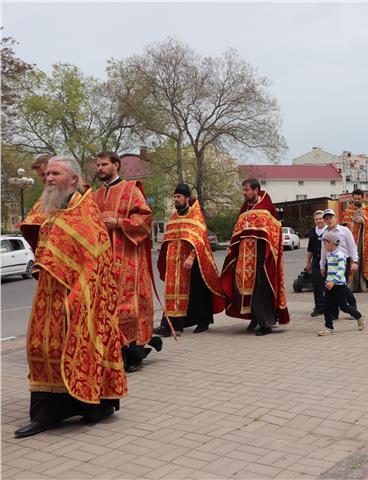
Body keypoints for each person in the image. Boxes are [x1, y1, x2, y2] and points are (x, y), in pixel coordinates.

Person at [15, 156, 127, 438]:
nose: (48, 178)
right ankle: (47, 413)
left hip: (78, 295)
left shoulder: (85, 210)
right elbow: (36, 234)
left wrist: (77, 295)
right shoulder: (48, 204)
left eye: (55, 173)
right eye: (47, 174)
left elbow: (95, 260)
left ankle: (91, 406)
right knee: (41, 346)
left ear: (73, 179)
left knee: (79, 347)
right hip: (49, 293)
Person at [94, 151, 161, 372]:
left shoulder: (131, 189)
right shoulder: (94, 196)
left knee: (126, 308)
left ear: (116, 165)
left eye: (104, 164)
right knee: (106, 307)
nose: (100, 168)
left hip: (128, 261)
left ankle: (132, 354)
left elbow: (145, 218)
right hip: (102, 261)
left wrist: (119, 223)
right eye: (98, 165)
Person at [222, 178, 289, 336]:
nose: (244, 193)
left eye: (247, 190)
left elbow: (274, 231)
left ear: (256, 190)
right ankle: (255, 317)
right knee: (243, 287)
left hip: (262, 258)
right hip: (245, 256)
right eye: (244, 190)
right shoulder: (245, 208)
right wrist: (232, 249)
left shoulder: (266, 207)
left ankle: (266, 323)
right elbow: (238, 231)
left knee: (260, 289)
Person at [156, 184, 225, 336]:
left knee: (198, 291)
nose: (176, 200)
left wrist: (191, 257)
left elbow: (199, 240)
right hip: (174, 263)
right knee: (172, 291)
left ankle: (202, 322)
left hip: (193, 262)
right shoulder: (174, 217)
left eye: (179, 197)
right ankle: (170, 324)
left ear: (187, 198)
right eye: (174, 197)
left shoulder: (195, 216)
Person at [317, 231, 364, 336]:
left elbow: (341, 271)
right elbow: (331, 270)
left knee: (344, 306)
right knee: (326, 306)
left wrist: (333, 281)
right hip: (329, 285)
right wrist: (328, 281)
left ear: (331, 243)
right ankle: (329, 328)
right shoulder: (329, 255)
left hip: (338, 286)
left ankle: (359, 316)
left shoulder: (340, 255)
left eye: (325, 243)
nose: (324, 246)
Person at [320, 208, 360, 309]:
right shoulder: (325, 234)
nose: (329, 220)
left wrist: (355, 261)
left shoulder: (344, 230)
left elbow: (352, 246)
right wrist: (322, 265)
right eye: (326, 219)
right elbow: (323, 251)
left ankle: (352, 304)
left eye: (330, 217)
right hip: (330, 263)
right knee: (331, 287)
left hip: (343, 262)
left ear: (335, 218)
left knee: (341, 286)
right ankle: (334, 313)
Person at [341, 189, 368, 292]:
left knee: (360, 261)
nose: (357, 200)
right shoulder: (348, 210)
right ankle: (352, 284)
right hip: (351, 240)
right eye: (355, 198)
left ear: (363, 198)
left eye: (359, 198)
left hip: (363, 240)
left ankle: (362, 284)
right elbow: (344, 224)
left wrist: (364, 221)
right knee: (351, 260)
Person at [306, 210, 328, 316]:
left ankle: (331, 306)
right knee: (316, 285)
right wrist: (308, 263)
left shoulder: (329, 230)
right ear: (314, 221)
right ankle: (319, 307)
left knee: (329, 285)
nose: (319, 220)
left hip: (328, 261)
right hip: (316, 261)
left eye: (320, 218)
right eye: (316, 219)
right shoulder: (312, 232)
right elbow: (310, 249)